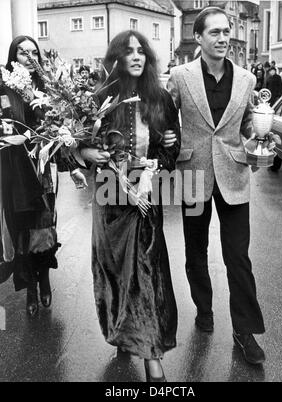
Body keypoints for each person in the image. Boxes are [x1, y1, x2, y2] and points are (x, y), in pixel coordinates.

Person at [165, 6, 279, 365]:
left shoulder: (246, 79)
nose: (223, 38)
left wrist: (260, 137)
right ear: (197, 38)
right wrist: (166, 138)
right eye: (214, 32)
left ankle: (245, 332)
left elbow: (247, 125)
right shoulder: (180, 76)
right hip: (193, 174)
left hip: (233, 175)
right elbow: (166, 117)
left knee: (238, 257)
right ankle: (204, 308)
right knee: (195, 253)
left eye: (226, 31)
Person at [79, 30, 180, 382]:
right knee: (114, 274)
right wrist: (85, 152)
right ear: (117, 59)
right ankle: (125, 332)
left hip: (144, 203)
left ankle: (152, 355)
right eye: (129, 51)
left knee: (146, 274)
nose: (136, 57)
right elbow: (73, 146)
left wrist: (155, 165)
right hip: (109, 205)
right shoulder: (100, 99)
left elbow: (171, 150)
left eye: (142, 52)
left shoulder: (161, 99)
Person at [0, 36, 84, 316]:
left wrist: (72, 167)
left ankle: (45, 277)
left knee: (44, 227)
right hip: (14, 169)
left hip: (42, 169)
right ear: (14, 56)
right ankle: (31, 289)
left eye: (33, 52)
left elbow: (58, 132)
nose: (28, 56)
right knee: (22, 229)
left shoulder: (48, 90)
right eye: (22, 52)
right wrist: (13, 135)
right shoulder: (4, 87)